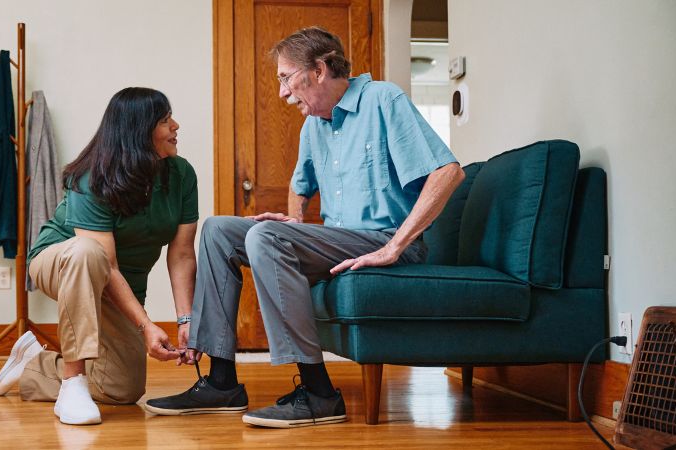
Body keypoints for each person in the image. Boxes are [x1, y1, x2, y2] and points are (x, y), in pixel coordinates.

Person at [145, 27, 465, 428]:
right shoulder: (314, 124)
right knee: (218, 230)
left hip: (383, 239)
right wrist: (294, 223)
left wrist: (396, 245)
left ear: (318, 69)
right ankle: (222, 380)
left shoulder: (383, 100)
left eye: (285, 77)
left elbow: (449, 172)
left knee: (265, 235)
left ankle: (318, 393)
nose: (282, 92)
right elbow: (301, 185)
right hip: (341, 242)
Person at [0, 87, 200, 425]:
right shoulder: (92, 177)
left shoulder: (181, 175)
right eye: (164, 120)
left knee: (122, 389)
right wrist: (146, 326)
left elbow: (181, 254)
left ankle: (35, 363)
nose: (175, 126)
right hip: (61, 261)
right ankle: (72, 382)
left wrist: (186, 321)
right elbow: (106, 263)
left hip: (118, 287)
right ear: (138, 132)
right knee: (87, 253)